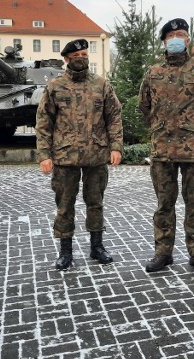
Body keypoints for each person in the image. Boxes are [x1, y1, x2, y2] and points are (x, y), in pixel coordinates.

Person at [138, 18, 194, 275]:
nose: (177, 38)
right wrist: (161, 128)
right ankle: (163, 253)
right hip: (162, 150)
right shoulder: (153, 73)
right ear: (164, 40)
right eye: (172, 34)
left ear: (188, 40)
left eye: (181, 34)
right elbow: (144, 107)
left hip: (193, 150)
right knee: (164, 205)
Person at [36, 38, 123, 270]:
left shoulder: (101, 85)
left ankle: (97, 247)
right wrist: (44, 154)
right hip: (65, 157)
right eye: (76, 56)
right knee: (65, 204)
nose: (81, 59)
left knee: (95, 202)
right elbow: (44, 122)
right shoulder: (55, 86)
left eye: (84, 55)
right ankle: (65, 251)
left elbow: (113, 117)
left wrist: (116, 147)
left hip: (96, 155)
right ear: (66, 59)